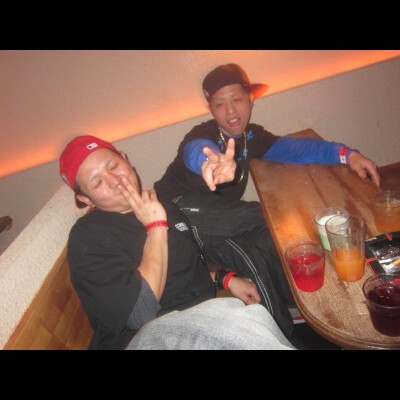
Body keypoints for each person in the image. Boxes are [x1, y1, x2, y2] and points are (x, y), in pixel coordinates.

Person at [154, 63, 381, 339]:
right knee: (267, 218)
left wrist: (347, 154)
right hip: (173, 212)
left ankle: (287, 325)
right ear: (211, 109)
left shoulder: (251, 137)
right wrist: (209, 163)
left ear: (250, 99)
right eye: (220, 104)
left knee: (254, 256)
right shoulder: (202, 136)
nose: (230, 111)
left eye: (237, 99)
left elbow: (293, 148)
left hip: (210, 232)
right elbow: (196, 151)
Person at [60, 135, 292, 350]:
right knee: (231, 322)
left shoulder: (165, 207)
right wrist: (155, 226)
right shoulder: (89, 235)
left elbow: (181, 273)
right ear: (85, 199)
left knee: (250, 314)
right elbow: (139, 314)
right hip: (142, 337)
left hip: (199, 318)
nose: (115, 181)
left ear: (125, 158)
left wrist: (224, 278)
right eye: (97, 182)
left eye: (113, 166)